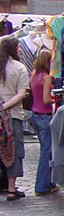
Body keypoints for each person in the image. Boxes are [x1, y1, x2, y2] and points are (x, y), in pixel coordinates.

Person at [0, 36, 29, 201]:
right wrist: (4, 107)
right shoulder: (19, 68)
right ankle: (11, 188)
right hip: (13, 115)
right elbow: (21, 93)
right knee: (14, 150)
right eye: (18, 47)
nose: (20, 49)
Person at [31, 48, 58, 195]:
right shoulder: (47, 78)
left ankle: (48, 182)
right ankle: (42, 186)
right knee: (46, 152)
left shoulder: (34, 75)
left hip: (35, 115)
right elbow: (46, 99)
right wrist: (56, 98)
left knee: (46, 150)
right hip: (44, 115)